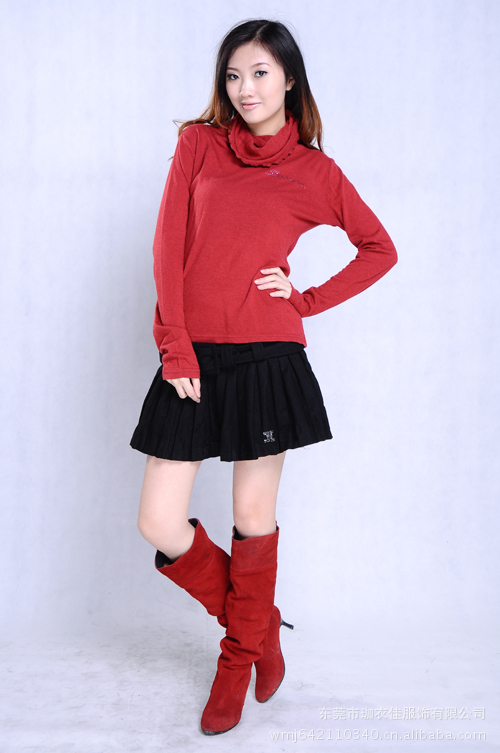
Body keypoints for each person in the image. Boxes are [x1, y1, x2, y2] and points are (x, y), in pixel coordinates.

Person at [130, 18, 397, 736]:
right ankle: (259, 627)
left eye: (259, 73)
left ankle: (236, 658)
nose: (244, 88)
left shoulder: (315, 171)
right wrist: (174, 346)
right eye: (233, 75)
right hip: (192, 353)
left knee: (253, 517)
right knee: (158, 519)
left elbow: (379, 249)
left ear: (288, 80)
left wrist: (303, 301)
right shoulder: (199, 144)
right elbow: (167, 247)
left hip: (267, 357)